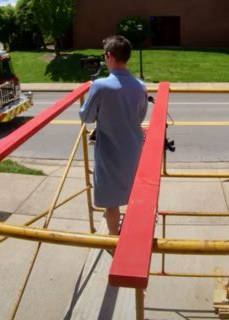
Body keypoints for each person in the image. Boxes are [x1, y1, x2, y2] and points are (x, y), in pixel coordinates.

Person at [79, 35, 148, 236]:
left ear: (109, 56)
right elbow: (140, 116)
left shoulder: (100, 86)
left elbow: (87, 117)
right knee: (133, 191)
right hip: (134, 148)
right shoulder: (140, 86)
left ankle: (113, 237)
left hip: (109, 152)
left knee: (111, 203)